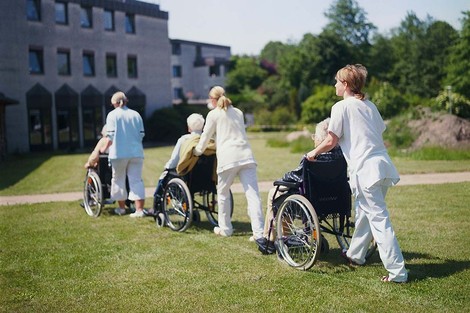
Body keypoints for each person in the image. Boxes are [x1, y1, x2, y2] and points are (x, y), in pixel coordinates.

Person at [306, 64, 408, 283]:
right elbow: (377, 132)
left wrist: (313, 152)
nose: (334, 85)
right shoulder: (370, 106)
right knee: (364, 213)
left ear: (345, 84)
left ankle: (397, 272)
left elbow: (331, 140)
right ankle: (355, 255)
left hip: (366, 169)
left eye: (336, 81)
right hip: (382, 166)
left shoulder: (341, 107)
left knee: (379, 219)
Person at [259, 118, 343, 254]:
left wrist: (282, 179)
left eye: (315, 136)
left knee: (275, 193)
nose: (313, 139)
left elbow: (296, 177)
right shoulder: (341, 155)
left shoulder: (312, 157)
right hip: (334, 199)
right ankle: (285, 236)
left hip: (311, 199)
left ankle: (271, 239)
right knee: (283, 195)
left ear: (321, 138)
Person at [193, 86, 264, 241]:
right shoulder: (238, 112)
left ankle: (226, 229)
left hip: (228, 158)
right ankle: (259, 233)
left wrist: (197, 151)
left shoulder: (213, 115)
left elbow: (205, 137)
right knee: (253, 196)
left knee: (223, 194)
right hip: (246, 156)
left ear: (213, 99)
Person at [101, 91, 146, 218]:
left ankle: (121, 209)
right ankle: (139, 210)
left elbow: (110, 136)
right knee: (136, 180)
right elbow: (141, 134)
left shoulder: (112, 115)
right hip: (136, 152)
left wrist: (103, 149)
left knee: (118, 180)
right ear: (126, 101)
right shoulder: (136, 114)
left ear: (114, 103)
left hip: (118, 153)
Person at [149, 113, 206, 214]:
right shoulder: (208, 140)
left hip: (186, 175)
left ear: (189, 127)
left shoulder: (184, 139)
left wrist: (166, 167)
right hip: (205, 178)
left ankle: (157, 207)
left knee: (165, 175)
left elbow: (174, 160)